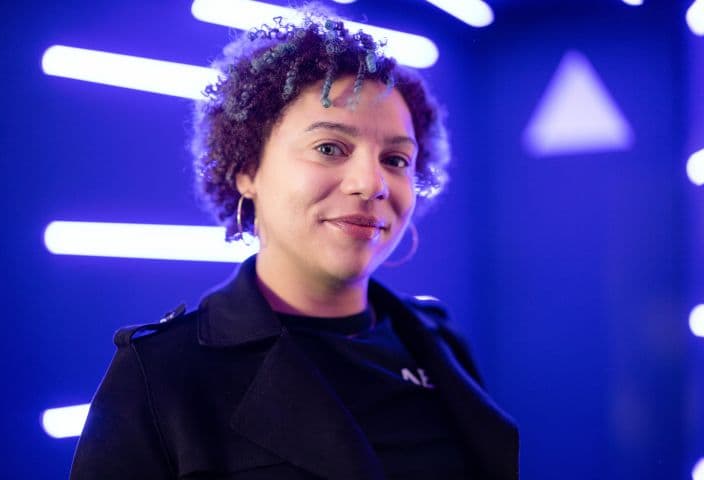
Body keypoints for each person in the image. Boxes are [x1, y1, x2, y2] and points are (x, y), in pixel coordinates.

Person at [70, 9, 519, 480]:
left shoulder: (437, 339)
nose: (372, 183)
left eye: (395, 158)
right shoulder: (163, 372)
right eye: (329, 148)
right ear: (246, 170)